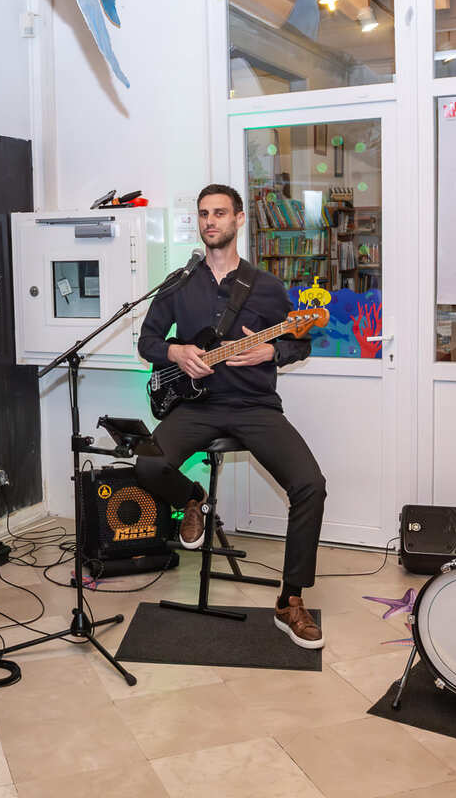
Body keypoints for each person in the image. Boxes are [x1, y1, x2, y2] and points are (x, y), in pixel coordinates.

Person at [135, 184, 328, 649]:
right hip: (195, 406)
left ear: (239, 219)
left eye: (220, 213)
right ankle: (194, 499)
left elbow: (300, 341)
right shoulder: (179, 283)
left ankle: (290, 599)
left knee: (310, 485)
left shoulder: (267, 286)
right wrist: (177, 352)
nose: (210, 221)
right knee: (146, 464)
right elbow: (147, 341)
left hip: (254, 406)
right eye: (204, 213)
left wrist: (271, 351)